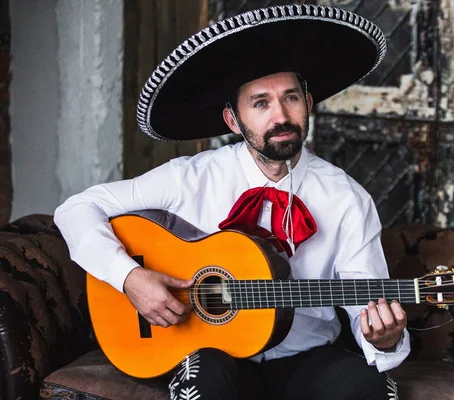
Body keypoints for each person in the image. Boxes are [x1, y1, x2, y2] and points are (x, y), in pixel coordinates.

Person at [54, 4, 410, 399]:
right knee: (205, 384)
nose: (280, 116)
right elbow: (75, 209)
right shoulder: (189, 178)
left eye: (291, 98)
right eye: (260, 103)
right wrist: (129, 277)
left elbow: (368, 303)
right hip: (209, 352)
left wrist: (384, 337)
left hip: (306, 358)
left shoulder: (347, 199)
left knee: (369, 388)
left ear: (308, 103)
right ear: (232, 120)